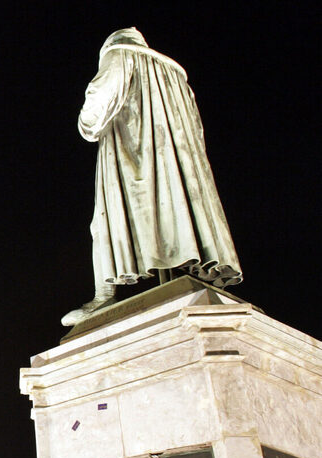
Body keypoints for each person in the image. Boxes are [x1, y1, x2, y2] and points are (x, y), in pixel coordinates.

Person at [63, 28, 242, 326]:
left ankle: (104, 294)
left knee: (111, 219)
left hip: (132, 152)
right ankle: (186, 270)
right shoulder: (175, 75)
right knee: (177, 209)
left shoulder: (120, 56)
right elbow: (196, 129)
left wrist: (86, 122)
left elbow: (96, 110)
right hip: (180, 159)